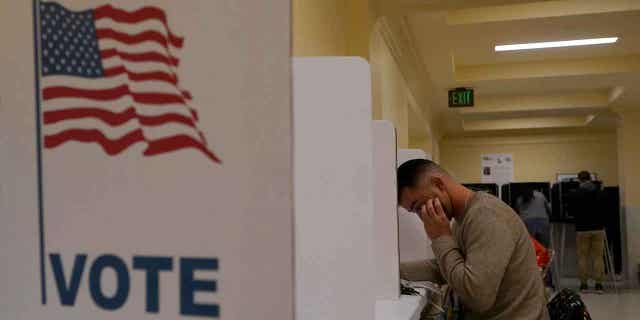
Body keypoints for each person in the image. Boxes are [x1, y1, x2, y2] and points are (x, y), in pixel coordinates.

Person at [397, 159, 548, 320]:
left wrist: (440, 237)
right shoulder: (464, 217)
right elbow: (445, 268)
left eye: (419, 206)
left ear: (439, 184)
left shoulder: (486, 215)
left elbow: (477, 297)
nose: (422, 216)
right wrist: (392, 272)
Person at [569, 171, 606, 294]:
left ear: (579, 179)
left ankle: (584, 285)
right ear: (590, 179)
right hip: (598, 228)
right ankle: (599, 285)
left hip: (582, 228)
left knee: (582, 257)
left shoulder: (575, 193)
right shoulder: (599, 192)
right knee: (598, 258)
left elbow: (572, 210)